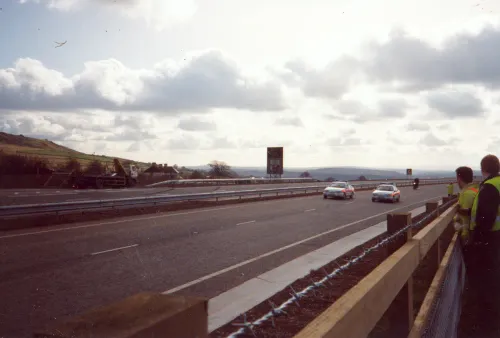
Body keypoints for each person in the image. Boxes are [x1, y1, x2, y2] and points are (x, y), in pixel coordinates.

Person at [462, 154, 500, 336]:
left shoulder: (490, 187)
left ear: (483, 168)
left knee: (488, 284)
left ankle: (488, 326)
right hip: (496, 239)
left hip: (490, 241)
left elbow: (485, 217)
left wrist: (477, 241)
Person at [453, 166, 478, 245]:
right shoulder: (475, 190)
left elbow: (466, 219)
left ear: (459, 179)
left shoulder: (467, 194)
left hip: (467, 236)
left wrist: (464, 236)